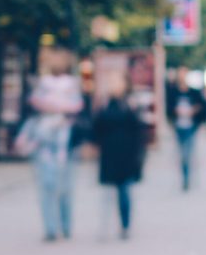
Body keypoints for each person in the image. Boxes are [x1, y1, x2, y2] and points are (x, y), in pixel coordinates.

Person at [17, 50, 83, 241]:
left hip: (66, 143)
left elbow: (77, 106)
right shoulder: (43, 83)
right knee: (47, 185)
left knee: (64, 187)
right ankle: (52, 228)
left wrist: (53, 106)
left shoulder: (72, 84)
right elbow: (35, 102)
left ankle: (64, 225)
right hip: (44, 140)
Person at [93, 75, 146, 240]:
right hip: (110, 153)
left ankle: (125, 225)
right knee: (108, 192)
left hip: (126, 153)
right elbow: (97, 127)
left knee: (124, 191)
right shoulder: (104, 105)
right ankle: (105, 227)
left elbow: (138, 130)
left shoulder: (130, 105)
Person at [166, 68, 206, 191]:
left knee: (187, 154)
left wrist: (194, 111)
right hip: (179, 127)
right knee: (181, 154)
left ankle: (188, 177)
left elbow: (202, 107)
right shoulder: (173, 92)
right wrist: (175, 112)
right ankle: (185, 176)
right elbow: (169, 108)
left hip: (191, 127)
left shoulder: (194, 92)